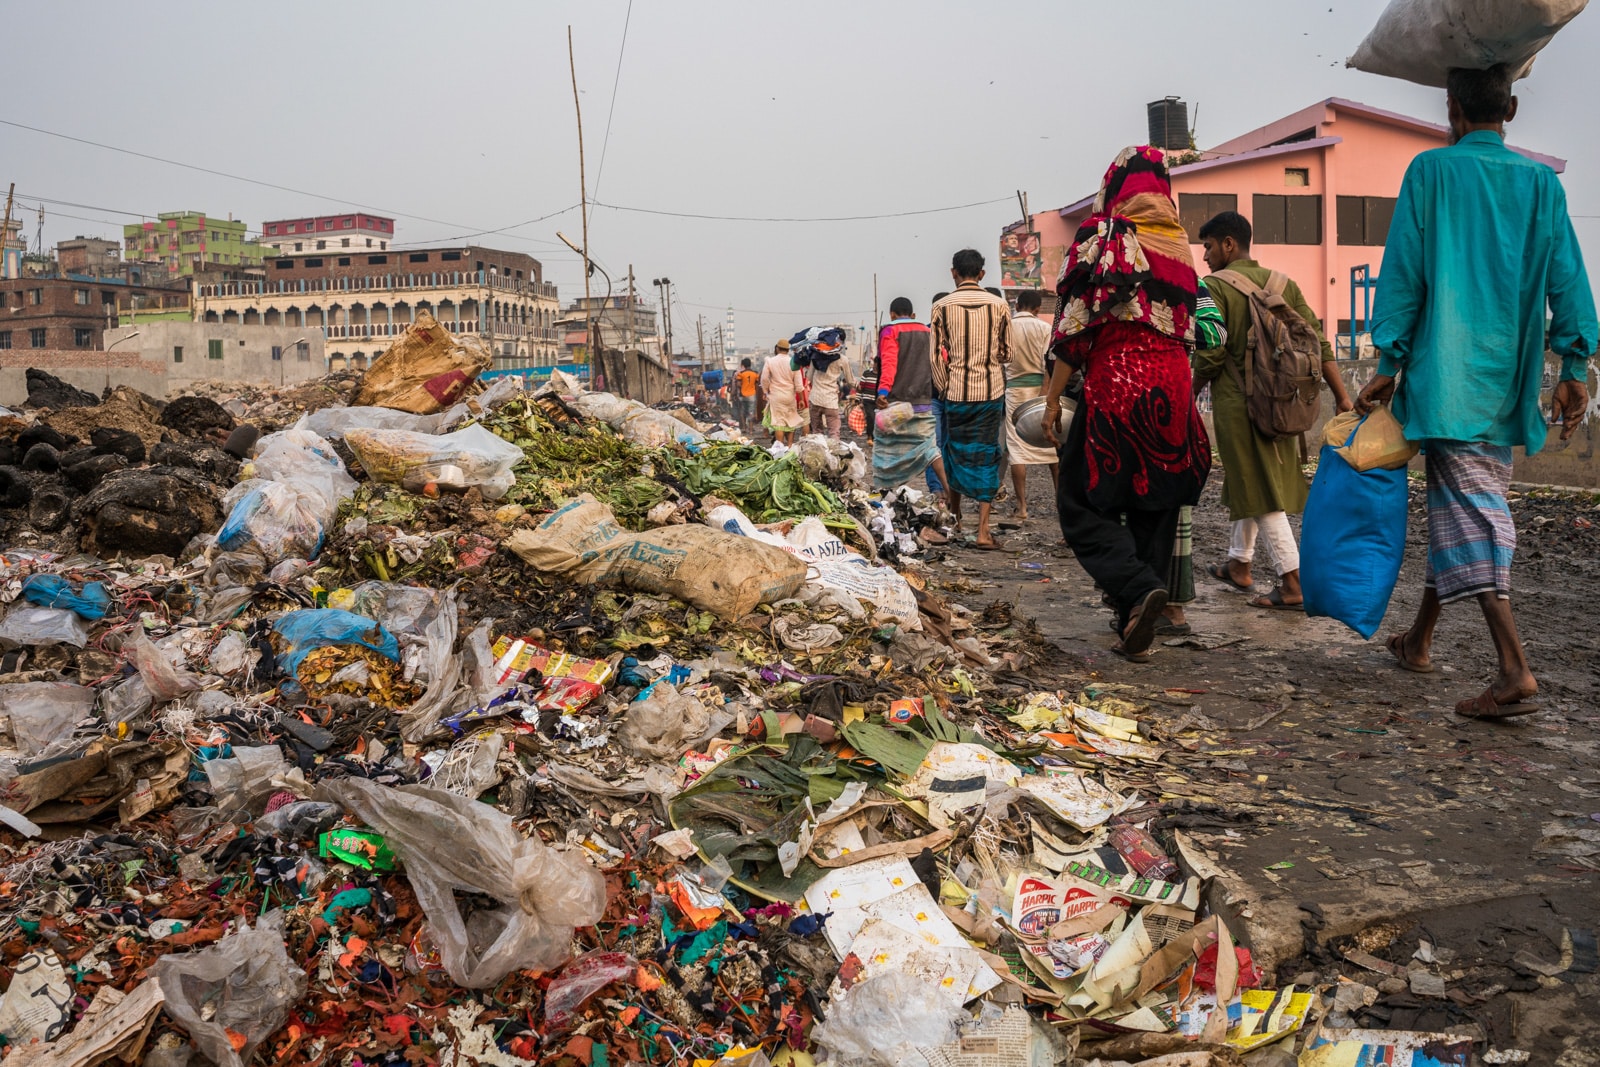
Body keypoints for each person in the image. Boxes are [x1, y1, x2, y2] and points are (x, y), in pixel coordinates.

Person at [1356, 63, 1596, 720]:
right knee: (1461, 505)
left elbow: (1401, 274)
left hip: (1448, 379)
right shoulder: (1541, 185)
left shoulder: (1430, 173)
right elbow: (1569, 283)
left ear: (1452, 110)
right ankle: (1420, 638)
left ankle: (1515, 667)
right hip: (1506, 384)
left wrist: (1387, 357)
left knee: (1473, 514)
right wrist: (1575, 367)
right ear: (1511, 108)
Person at [1042, 145, 1211, 659]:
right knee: (1153, 506)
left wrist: (1051, 401)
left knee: (1081, 504)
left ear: (1115, 188)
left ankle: (1137, 593)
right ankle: (1135, 625)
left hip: (1119, 384)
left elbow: (1077, 326)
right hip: (1175, 389)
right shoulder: (1181, 249)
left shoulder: (1102, 237)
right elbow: (1198, 329)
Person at [1194, 210, 1354, 610]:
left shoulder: (1211, 287)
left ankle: (1293, 581)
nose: (1206, 256)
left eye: (1209, 247)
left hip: (1237, 402)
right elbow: (1319, 343)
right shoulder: (1285, 284)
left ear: (1229, 244)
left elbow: (1211, 353)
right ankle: (1239, 564)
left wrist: (1186, 393)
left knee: (1260, 489)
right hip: (1283, 402)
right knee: (1252, 476)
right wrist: (1343, 397)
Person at [931, 251, 1011, 549]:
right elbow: (1008, 353)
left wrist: (945, 387)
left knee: (954, 452)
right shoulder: (999, 305)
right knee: (987, 454)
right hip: (990, 393)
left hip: (956, 394)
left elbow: (936, 357)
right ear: (982, 273)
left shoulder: (941, 306)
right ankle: (983, 531)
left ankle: (956, 518)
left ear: (954, 272)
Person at [874, 297, 949, 491]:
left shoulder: (889, 330)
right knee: (931, 449)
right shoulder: (928, 332)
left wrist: (883, 392)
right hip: (924, 401)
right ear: (913, 314)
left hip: (897, 404)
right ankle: (948, 493)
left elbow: (889, 364)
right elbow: (943, 360)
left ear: (892, 314)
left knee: (887, 449)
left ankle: (888, 493)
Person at [1003, 288, 1059, 519]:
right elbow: (1051, 362)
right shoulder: (1045, 328)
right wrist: (1048, 393)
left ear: (1016, 306)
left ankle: (1022, 506)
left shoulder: (1006, 328)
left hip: (1015, 389)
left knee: (1017, 449)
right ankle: (1060, 504)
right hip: (1043, 389)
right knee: (1053, 449)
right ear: (1037, 309)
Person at [759, 339, 806, 445]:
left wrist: (765, 391)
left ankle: (780, 446)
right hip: (789, 395)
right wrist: (802, 399)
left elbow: (764, 379)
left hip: (776, 395)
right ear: (788, 350)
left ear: (777, 348)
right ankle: (789, 446)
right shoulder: (794, 362)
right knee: (790, 420)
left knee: (779, 422)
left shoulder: (770, 361)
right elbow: (799, 384)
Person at [806, 347, 854, 440]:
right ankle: (834, 453)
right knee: (834, 433)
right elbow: (850, 381)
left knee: (817, 432)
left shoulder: (815, 356)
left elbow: (809, 377)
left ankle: (819, 452)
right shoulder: (842, 359)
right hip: (830, 401)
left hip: (815, 398)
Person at [734, 358, 760, 431]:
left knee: (743, 412)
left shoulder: (740, 374)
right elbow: (757, 384)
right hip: (752, 395)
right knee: (751, 412)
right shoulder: (755, 374)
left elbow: (738, 384)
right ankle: (751, 430)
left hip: (743, 395)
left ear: (743, 365)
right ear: (750, 364)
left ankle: (744, 428)